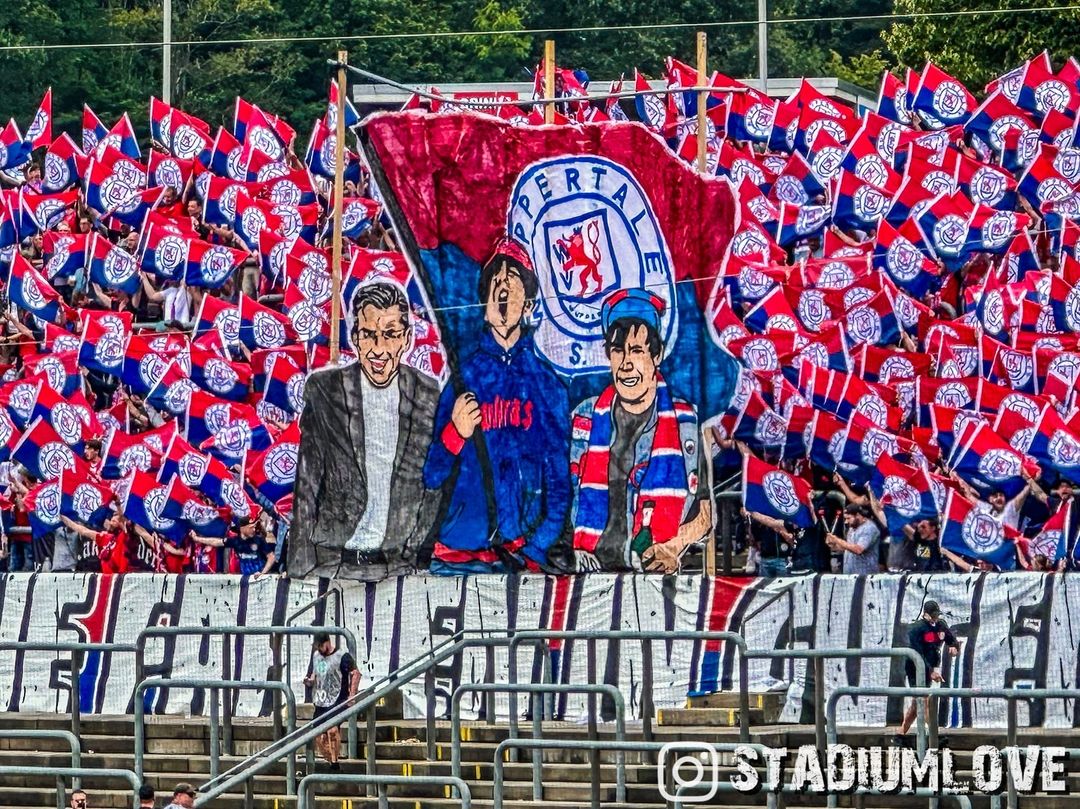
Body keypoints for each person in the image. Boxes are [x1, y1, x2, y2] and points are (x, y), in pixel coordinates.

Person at [424, 239, 571, 573]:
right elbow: (431, 475)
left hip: (524, 562)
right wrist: (453, 435)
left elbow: (560, 485)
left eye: (513, 281)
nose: (503, 288)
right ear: (484, 302)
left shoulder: (547, 387)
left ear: (529, 303)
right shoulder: (462, 379)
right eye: (495, 281)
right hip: (459, 560)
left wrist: (536, 549)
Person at [290, 281, 441, 579]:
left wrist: (421, 560)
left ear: (406, 339)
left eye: (390, 335)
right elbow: (306, 485)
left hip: (400, 567)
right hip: (334, 565)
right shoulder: (325, 390)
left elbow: (432, 485)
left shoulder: (428, 394)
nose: (379, 349)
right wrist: (301, 571)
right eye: (369, 335)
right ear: (355, 337)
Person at [571, 288, 709, 573]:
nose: (626, 364)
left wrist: (672, 547)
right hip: (588, 574)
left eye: (636, 350)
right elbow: (560, 494)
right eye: (618, 351)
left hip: (654, 577)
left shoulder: (687, 424)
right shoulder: (583, 418)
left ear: (656, 355)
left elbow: (705, 513)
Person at [893, 600, 960, 747]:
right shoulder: (916, 629)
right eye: (933, 615)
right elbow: (918, 653)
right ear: (925, 614)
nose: (935, 618)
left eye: (937, 615)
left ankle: (900, 734)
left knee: (918, 704)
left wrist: (954, 647)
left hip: (929, 666)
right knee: (923, 700)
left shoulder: (941, 626)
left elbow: (951, 639)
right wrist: (930, 672)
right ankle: (935, 734)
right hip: (915, 668)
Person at [304, 632, 360, 770]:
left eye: (320, 646)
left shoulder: (342, 656)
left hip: (337, 699)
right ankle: (331, 761)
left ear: (327, 643)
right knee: (318, 736)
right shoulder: (317, 656)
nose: (319, 649)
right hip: (321, 700)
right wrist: (310, 681)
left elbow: (356, 674)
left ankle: (335, 762)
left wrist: (352, 694)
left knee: (332, 730)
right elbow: (316, 673)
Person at [825, 504, 880, 575]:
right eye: (845, 519)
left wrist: (837, 540)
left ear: (857, 515)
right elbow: (848, 548)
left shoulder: (869, 528)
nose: (846, 522)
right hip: (850, 574)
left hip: (865, 575)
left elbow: (858, 549)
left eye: (848, 518)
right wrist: (833, 545)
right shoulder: (852, 528)